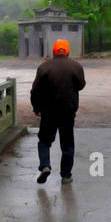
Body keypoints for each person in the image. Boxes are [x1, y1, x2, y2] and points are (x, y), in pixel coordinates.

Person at [31, 38, 85, 184]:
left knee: (44, 140)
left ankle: (45, 165)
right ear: (67, 51)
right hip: (68, 111)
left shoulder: (44, 67)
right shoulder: (76, 66)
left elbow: (35, 90)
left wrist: (36, 107)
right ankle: (66, 176)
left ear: (54, 51)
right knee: (67, 144)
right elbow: (81, 85)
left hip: (48, 111)